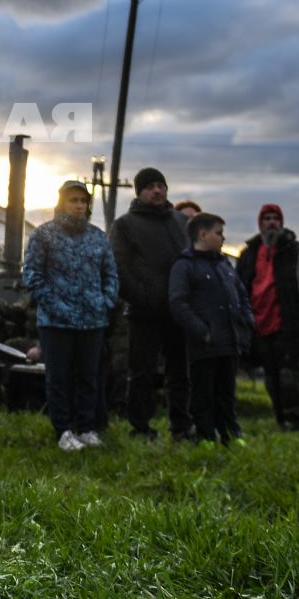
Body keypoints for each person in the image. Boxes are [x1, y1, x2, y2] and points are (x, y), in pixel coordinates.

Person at [22, 180, 119, 451]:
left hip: (93, 320)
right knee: (59, 377)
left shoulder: (98, 237)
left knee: (89, 376)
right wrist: (54, 304)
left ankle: (86, 428)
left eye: (83, 201)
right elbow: (31, 274)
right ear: (61, 203)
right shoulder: (44, 235)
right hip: (56, 321)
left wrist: (105, 301)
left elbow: (110, 273)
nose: (79, 205)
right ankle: (63, 430)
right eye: (73, 200)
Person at [111, 167, 192, 440]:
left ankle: (181, 426)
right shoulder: (125, 225)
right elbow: (119, 268)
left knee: (180, 372)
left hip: (179, 311)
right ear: (139, 192)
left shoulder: (182, 222)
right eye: (150, 186)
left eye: (161, 185)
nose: (157, 190)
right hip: (144, 312)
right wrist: (144, 298)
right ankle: (141, 426)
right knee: (141, 373)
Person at [169, 213, 252, 445]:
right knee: (203, 393)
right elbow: (178, 303)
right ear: (202, 234)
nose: (223, 238)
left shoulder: (224, 264)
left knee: (227, 392)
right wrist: (202, 331)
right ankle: (205, 435)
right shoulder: (184, 265)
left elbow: (241, 295)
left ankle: (230, 433)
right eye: (219, 233)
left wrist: (246, 321)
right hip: (204, 344)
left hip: (230, 341)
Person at [235, 204, 299, 431]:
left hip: (289, 323)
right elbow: (241, 285)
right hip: (260, 324)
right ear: (260, 223)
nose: (271, 223)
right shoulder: (250, 253)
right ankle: (280, 417)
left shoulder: (294, 251)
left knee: (290, 374)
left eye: (275, 219)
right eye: (267, 218)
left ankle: (294, 418)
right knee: (270, 376)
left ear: (281, 222)